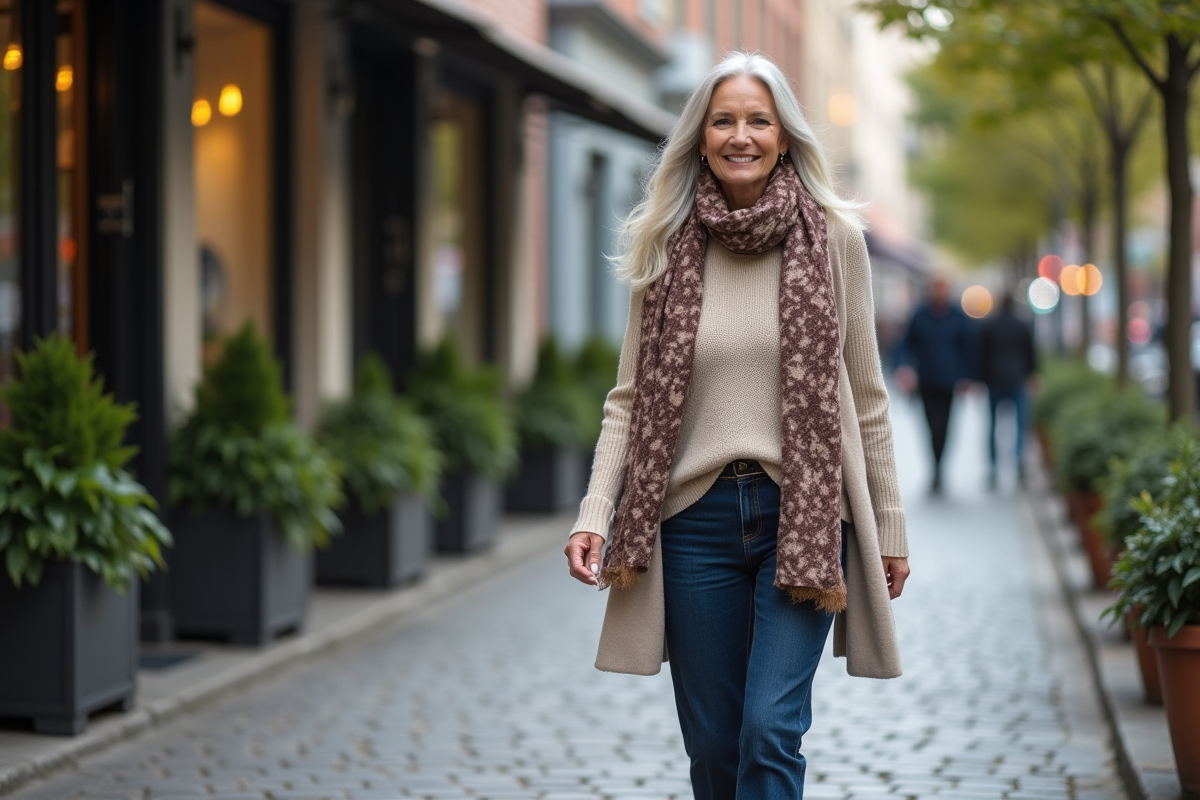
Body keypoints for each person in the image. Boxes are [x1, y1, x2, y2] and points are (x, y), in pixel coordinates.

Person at [563, 51, 910, 800]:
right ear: (701, 137)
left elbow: (869, 395)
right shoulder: (666, 242)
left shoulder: (835, 239)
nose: (741, 134)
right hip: (693, 524)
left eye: (759, 119)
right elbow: (628, 397)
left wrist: (889, 524)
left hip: (806, 515)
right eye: (724, 120)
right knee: (715, 747)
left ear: (785, 136)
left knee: (768, 731)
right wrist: (596, 511)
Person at [894, 277, 975, 494]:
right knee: (931, 426)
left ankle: (940, 468)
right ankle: (935, 468)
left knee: (945, 427)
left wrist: (968, 377)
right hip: (926, 381)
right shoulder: (919, 316)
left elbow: (969, 348)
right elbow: (904, 345)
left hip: (950, 381)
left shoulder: (959, 317)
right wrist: (903, 368)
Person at [977, 292, 1037, 488]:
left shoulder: (988, 325)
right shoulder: (1022, 324)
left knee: (993, 425)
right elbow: (1031, 353)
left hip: (993, 380)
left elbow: (981, 354)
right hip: (1017, 379)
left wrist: (978, 379)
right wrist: (1032, 375)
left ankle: (993, 467)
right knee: (1019, 425)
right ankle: (1019, 462)